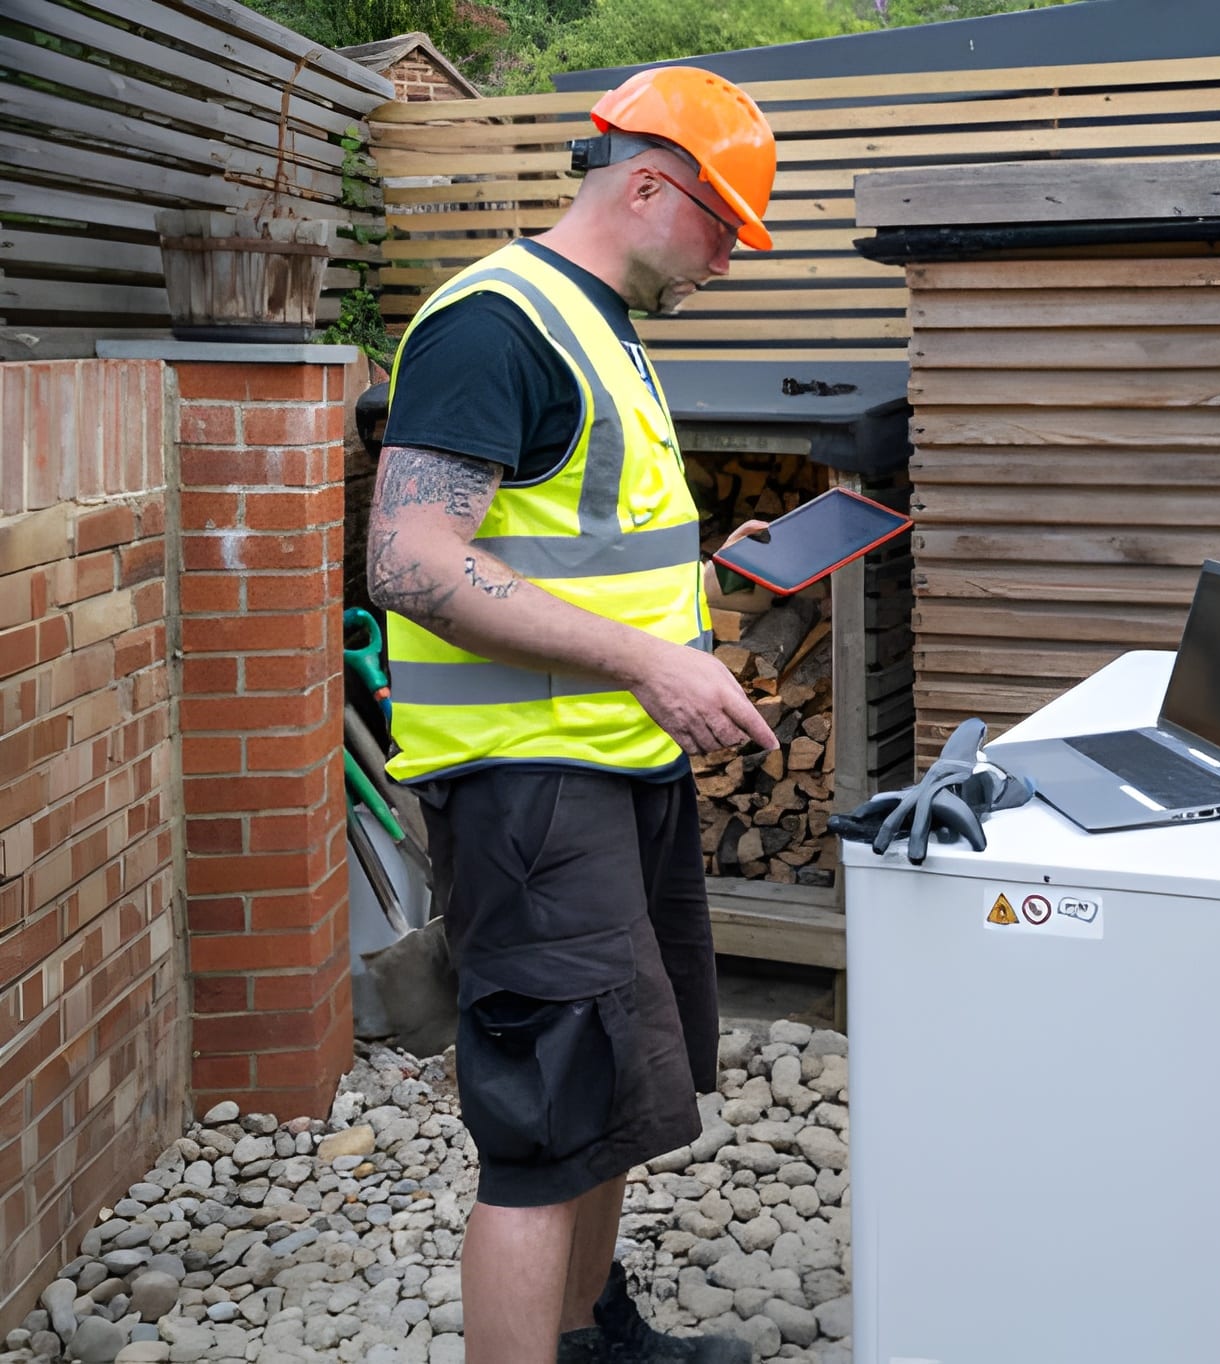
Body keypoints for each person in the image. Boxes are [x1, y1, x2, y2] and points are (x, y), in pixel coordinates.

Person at [365, 65, 783, 1364]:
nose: (729, 260)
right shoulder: (494, 322)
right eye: (724, 228)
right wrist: (648, 663)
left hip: (613, 774)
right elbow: (413, 559)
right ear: (652, 184)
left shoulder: (598, 324)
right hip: (529, 792)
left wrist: (700, 584)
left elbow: (557, 549)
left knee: (611, 1089)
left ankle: (590, 1335)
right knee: (541, 1131)